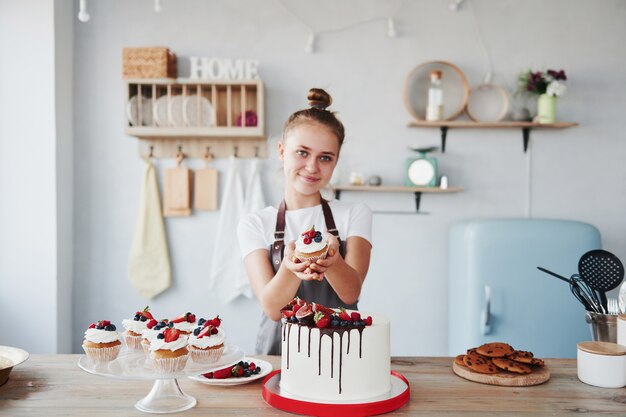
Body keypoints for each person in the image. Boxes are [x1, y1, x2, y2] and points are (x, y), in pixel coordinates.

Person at [237, 88, 373, 355]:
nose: (312, 167)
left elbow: (351, 294)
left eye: (325, 157)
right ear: (281, 151)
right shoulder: (254, 223)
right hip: (280, 351)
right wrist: (290, 266)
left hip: (339, 347)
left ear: (335, 162)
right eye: (302, 152)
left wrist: (333, 262)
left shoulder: (355, 213)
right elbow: (272, 308)